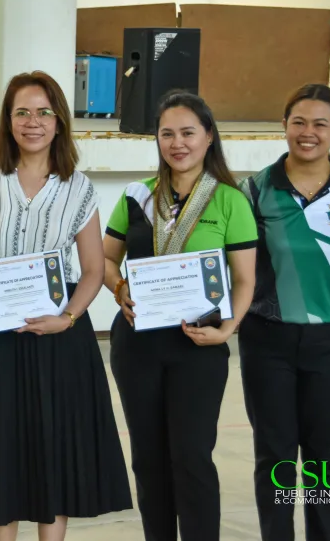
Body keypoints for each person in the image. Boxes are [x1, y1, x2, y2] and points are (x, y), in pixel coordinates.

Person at [0, 71, 132, 541]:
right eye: (22, 113)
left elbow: (92, 269)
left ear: (59, 121)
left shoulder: (78, 187)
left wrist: (67, 319)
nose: (33, 122)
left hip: (58, 335)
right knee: (2, 448)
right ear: (8, 120)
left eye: (44, 112)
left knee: (55, 448)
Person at [101, 90, 258, 541]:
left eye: (188, 133)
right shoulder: (137, 196)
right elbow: (106, 259)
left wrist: (228, 329)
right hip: (138, 344)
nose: (177, 143)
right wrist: (119, 288)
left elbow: (244, 279)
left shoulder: (229, 200)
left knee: (191, 458)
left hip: (198, 346)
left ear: (208, 137)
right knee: (148, 459)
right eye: (167, 134)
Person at [238, 85, 330, 541]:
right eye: (298, 122)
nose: (308, 132)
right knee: (275, 456)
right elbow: (239, 266)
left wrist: (320, 301)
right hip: (267, 339)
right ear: (284, 126)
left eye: (321, 124)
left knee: (326, 456)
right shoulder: (254, 190)